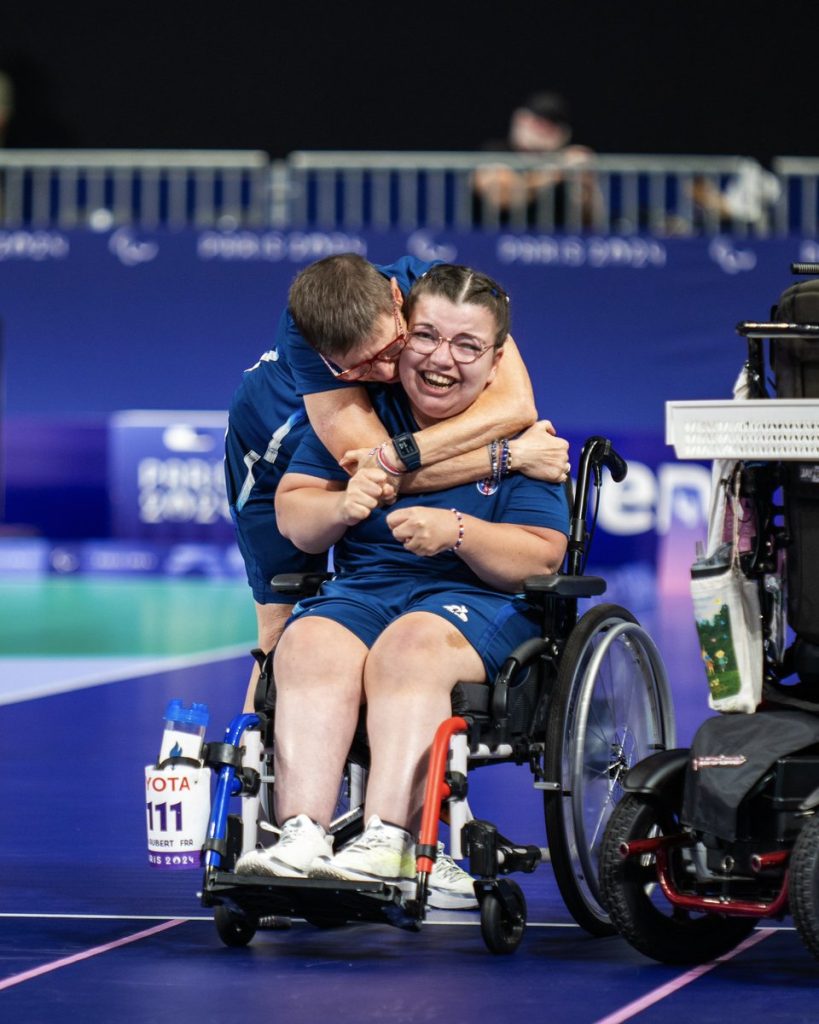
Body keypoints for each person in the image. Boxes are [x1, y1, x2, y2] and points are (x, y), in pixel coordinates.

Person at [235, 265, 570, 906]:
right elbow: (298, 515)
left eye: (466, 347)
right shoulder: (361, 413)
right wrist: (342, 505)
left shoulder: (523, 438)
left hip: (479, 604)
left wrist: (460, 533)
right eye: (425, 339)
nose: (442, 359)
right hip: (366, 590)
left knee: (409, 647)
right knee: (305, 645)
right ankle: (300, 834)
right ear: (404, 329)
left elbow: (541, 559)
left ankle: (388, 836)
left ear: (496, 360)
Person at [225, 253, 571, 714]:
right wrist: (507, 456)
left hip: (379, 449)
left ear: (397, 301)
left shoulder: (436, 288)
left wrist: (395, 456)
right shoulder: (309, 334)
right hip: (275, 449)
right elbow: (382, 474)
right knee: (279, 635)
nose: (388, 375)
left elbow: (515, 408)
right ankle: (249, 771)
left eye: (392, 351)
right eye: (363, 370)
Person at [472, 91, 600, 229]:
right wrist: (556, 171)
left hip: (554, 245)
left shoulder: (568, 162)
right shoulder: (495, 151)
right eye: (538, 122)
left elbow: (593, 220)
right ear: (520, 119)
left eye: (551, 125)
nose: (543, 130)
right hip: (495, 243)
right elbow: (500, 198)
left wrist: (587, 186)